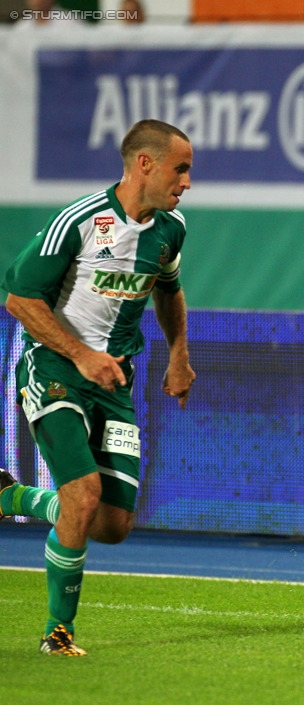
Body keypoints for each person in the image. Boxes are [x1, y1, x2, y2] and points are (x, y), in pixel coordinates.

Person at [0, 119, 195, 656]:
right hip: (55, 369)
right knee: (82, 497)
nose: (186, 182)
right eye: (180, 169)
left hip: (114, 383)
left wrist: (179, 355)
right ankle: (56, 632)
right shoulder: (79, 221)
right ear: (145, 164)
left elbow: (170, 291)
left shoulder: (171, 229)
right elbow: (20, 300)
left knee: (111, 524)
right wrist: (81, 354)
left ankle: (12, 496)